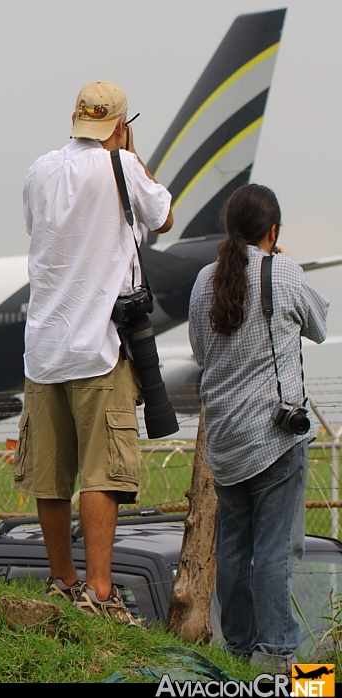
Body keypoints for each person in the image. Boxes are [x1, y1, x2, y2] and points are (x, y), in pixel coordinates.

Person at [17, 82, 174, 623]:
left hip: (43, 348)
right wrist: (130, 153)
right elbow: (164, 217)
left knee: (50, 475)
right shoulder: (122, 166)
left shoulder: (39, 170)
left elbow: (41, 234)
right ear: (120, 124)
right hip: (98, 348)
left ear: (76, 117)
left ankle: (61, 581)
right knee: (101, 472)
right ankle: (100, 592)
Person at [188, 184, 328, 672]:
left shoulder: (204, 280)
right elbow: (320, 324)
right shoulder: (284, 271)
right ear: (272, 231)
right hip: (275, 436)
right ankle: (280, 659)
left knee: (233, 547)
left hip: (225, 440)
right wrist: (279, 260)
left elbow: (203, 355)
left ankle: (239, 652)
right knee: (273, 551)